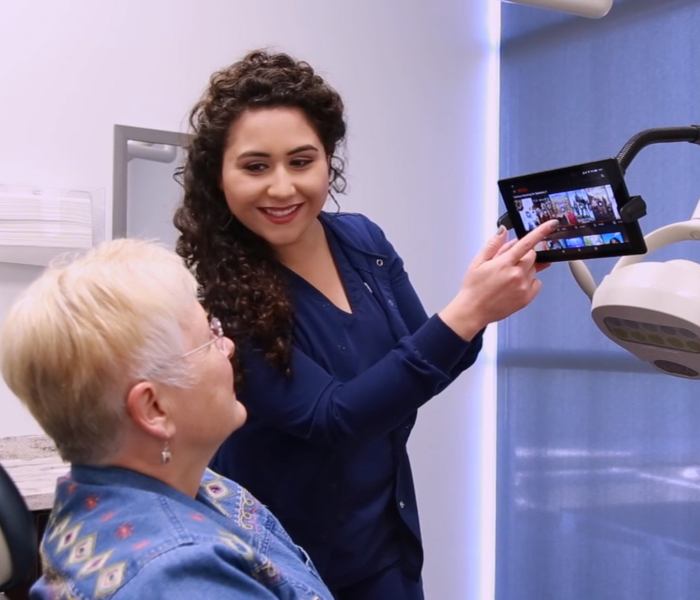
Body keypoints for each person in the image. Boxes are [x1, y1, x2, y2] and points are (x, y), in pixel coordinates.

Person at [174, 49, 558, 600]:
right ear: (220, 176)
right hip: (283, 565)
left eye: (301, 161)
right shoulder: (223, 296)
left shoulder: (361, 240)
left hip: (385, 546)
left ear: (329, 160)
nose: (282, 187)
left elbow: (433, 362)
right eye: (256, 166)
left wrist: (484, 297)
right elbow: (335, 418)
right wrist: (467, 312)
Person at [0, 239, 333, 600]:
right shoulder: (181, 581)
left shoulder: (175, 486)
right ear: (153, 408)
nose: (229, 347)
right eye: (210, 338)